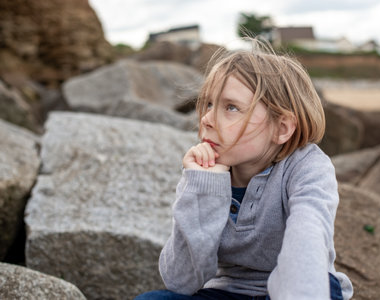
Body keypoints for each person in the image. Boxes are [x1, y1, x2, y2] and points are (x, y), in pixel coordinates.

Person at [135, 39, 353, 300]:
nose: (206, 119)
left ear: (282, 128)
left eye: (231, 107)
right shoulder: (203, 170)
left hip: (302, 286)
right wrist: (203, 188)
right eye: (208, 104)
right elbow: (180, 281)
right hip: (229, 292)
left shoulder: (307, 168)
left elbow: (307, 239)